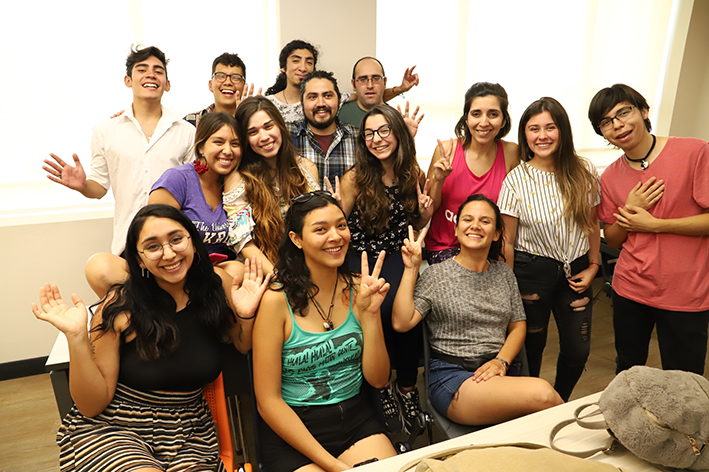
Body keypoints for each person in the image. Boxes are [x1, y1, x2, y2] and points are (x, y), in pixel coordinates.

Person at [31, 204, 270, 472]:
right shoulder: (121, 304)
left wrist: (246, 315)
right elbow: (91, 405)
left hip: (190, 433)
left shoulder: (216, 285)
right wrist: (77, 338)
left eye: (176, 239)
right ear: (139, 259)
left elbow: (241, 343)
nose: (168, 253)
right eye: (153, 246)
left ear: (192, 242)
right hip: (117, 428)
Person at [252, 191, 396, 472]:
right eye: (321, 229)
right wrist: (334, 465)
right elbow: (268, 402)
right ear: (296, 239)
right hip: (294, 432)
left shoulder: (360, 288)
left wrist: (370, 316)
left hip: (356, 421)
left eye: (341, 226)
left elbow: (378, 379)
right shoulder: (276, 301)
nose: (336, 236)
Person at [392, 195, 563, 424]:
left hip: (497, 371)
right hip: (452, 379)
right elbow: (401, 323)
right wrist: (411, 269)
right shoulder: (436, 274)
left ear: (497, 233)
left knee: (543, 416)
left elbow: (518, 326)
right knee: (544, 395)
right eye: (467, 219)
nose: (475, 225)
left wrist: (501, 361)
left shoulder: (504, 273)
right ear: (456, 229)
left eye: (485, 221)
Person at [588, 83, 709, 375]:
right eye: (606, 122)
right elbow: (612, 239)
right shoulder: (611, 175)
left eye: (623, 113)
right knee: (628, 370)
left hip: (685, 292)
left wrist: (656, 225)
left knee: (683, 379)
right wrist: (630, 209)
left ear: (643, 111)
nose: (617, 125)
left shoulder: (694, 152)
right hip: (630, 289)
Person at [43, 45, 195, 255]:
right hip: (127, 243)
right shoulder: (105, 131)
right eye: (142, 69)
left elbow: (194, 191)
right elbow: (99, 188)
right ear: (128, 80)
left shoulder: (187, 132)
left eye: (158, 71)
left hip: (175, 243)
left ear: (167, 84)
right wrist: (83, 185)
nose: (151, 75)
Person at [497, 97, 600, 402]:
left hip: (577, 272)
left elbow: (591, 223)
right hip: (530, 274)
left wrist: (594, 266)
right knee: (532, 347)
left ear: (562, 130)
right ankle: (531, 405)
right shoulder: (516, 180)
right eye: (534, 129)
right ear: (525, 135)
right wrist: (509, 287)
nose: (542, 136)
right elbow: (507, 241)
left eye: (550, 127)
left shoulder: (584, 170)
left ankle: (559, 402)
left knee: (578, 350)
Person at [339, 104, 433, 434]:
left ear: (397, 133)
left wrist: (424, 212)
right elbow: (339, 226)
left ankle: (406, 387)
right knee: (374, 308)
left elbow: (415, 222)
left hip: (396, 254)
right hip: (360, 258)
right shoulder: (354, 178)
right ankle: (378, 387)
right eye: (369, 134)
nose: (377, 139)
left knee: (404, 311)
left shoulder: (412, 172)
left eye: (383, 131)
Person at [85, 112, 245, 298]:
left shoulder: (237, 185)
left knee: (236, 270)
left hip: (208, 273)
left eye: (235, 144)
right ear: (201, 147)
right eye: (219, 142)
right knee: (99, 267)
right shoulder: (178, 179)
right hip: (168, 263)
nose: (228, 150)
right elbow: (152, 231)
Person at [424, 82, 519, 265]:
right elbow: (428, 210)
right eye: (476, 114)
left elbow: (510, 215)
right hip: (445, 248)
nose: (484, 122)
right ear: (466, 119)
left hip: (488, 248)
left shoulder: (511, 153)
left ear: (504, 120)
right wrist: (438, 180)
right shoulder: (446, 150)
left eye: (493, 114)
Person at [223, 96, 319, 267]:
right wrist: (278, 278)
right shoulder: (238, 179)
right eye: (253, 132)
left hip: (307, 265)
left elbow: (316, 228)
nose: (264, 137)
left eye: (268, 126)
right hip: (263, 270)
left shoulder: (306, 168)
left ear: (280, 126)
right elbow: (244, 243)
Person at [265, 40, 418, 124]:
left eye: (309, 62)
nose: (303, 67)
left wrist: (400, 89)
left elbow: (368, 94)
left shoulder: (332, 100)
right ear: (283, 67)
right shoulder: (268, 104)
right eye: (296, 61)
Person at [287, 70, 357, 189]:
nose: (320, 103)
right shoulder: (285, 135)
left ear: (339, 100)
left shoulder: (359, 138)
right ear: (302, 103)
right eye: (312, 97)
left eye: (328, 96)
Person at [338, 56, 420, 129]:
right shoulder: (338, 112)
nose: (370, 85)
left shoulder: (398, 119)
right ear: (353, 84)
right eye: (363, 79)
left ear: (385, 82)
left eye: (376, 78)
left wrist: (409, 136)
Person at [184, 52, 259, 128]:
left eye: (235, 78)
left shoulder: (252, 121)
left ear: (244, 86)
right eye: (221, 76)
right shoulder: (190, 123)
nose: (228, 82)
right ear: (210, 85)